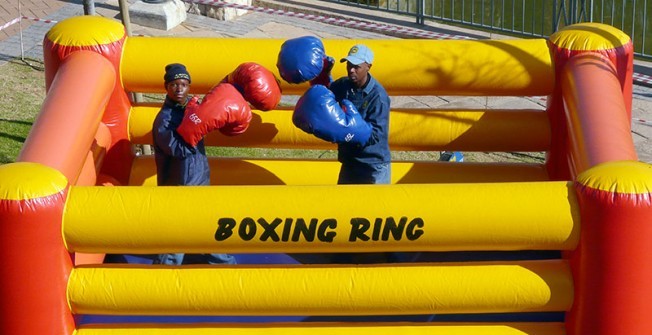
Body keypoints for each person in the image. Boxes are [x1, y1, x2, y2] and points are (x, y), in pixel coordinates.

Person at [150, 63, 236, 265]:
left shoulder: (192, 109)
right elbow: (178, 149)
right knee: (178, 233)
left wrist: (203, 119)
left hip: (199, 179)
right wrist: (197, 126)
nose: (179, 89)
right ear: (166, 87)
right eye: (174, 85)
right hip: (179, 186)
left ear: (189, 86)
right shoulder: (164, 119)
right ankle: (161, 277)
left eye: (184, 84)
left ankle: (224, 264)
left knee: (207, 225)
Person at [328, 44, 391, 185]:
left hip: (372, 165)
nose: (351, 70)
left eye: (356, 67)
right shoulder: (344, 85)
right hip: (350, 162)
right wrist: (323, 76)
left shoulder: (378, 97)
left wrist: (349, 132)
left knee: (374, 207)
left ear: (368, 67)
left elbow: (377, 134)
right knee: (345, 206)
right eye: (349, 65)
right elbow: (325, 96)